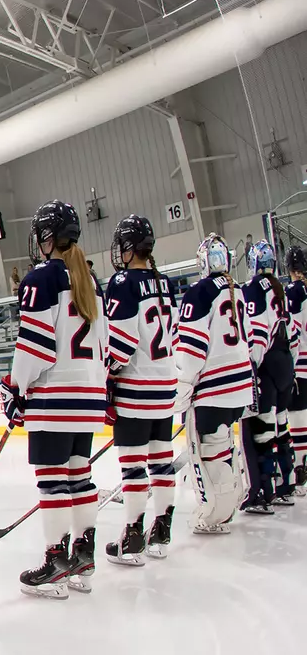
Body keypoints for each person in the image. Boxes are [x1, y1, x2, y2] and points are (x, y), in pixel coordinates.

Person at [0, 201, 107, 599]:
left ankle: (55, 563)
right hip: (88, 396)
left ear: (47, 238)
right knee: (80, 478)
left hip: (55, 397)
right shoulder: (90, 279)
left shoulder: (42, 278)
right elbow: (106, 344)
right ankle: (83, 558)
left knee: (52, 482)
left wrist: (17, 387)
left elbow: (35, 347)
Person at [99, 215, 179, 566]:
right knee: (161, 461)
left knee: (133, 466)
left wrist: (106, 373)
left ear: (130, 248)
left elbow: (122, 343)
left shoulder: (123, 282)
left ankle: (132, 536)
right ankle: (161, 533)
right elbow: (173, 337)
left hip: (136, 387)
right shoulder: (165, 283)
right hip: (165, 384)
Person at [174, 233, 253, 537]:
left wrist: (180, 395)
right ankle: (228, 508)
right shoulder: (239, 290)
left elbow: (191, 353)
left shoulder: (199, 292)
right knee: (226, 451)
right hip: (240, 387)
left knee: (207, 456)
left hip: (213, 391)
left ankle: (213, 514)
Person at [239, 241, 294, 512]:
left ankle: (264, 491)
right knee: (281, 427)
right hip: (285, 363)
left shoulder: (253, 289)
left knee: (261, 433)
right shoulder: (278, 287)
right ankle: (287, 484)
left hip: (268, 366)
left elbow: (258, 333)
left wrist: (251, 365)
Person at [286, 246, 307, 490]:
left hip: (300, 363)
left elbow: (292, 329)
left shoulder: (294, 291)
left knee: (298, 415)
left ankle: (301, 464)